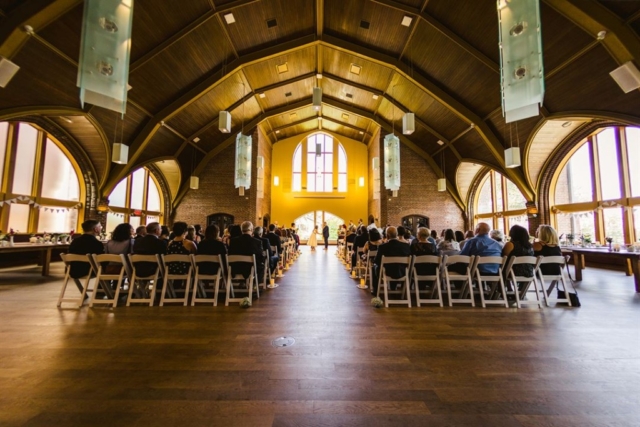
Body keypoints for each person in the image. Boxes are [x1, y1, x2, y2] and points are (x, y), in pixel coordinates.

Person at [372, 226, 411, 296]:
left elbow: (377, 261)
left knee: (375, 267)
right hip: (402, 272)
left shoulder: (382, 247)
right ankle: (399, 289)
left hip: (387, 272)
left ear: (387, 235)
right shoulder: (406, 246)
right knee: (396, 266)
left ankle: (375, 290)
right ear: (396, 234)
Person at [68, 219, 105, 293]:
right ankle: (103, 291)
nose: (101, 228)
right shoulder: (97, 243)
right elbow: (101, 261)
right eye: (100, 226)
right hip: (90, 271)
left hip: (74, 271)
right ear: (95, 229)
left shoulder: (74, 241)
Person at [502, 225, 535, 292]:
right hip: (529, 272)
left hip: (513, 272)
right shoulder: (530, 246)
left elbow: (503, 257)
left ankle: (506, 289)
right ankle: (521, 291)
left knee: (503, 266)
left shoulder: (510, 244)